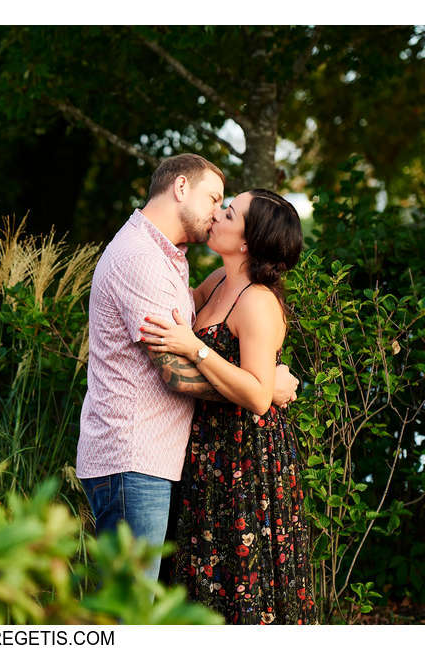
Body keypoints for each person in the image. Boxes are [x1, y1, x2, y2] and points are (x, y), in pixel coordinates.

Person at [75, 154, 299, 583]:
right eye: (216, 199)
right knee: (132, 609)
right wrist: (265, 387)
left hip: (197, 461)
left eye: (227, 209)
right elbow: (175, 371)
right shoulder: (143, 258)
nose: (217, 212)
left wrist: (257, 370)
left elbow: (212, 332)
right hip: (135, 457)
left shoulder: (173, 258)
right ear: (181, 188)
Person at [138, 189, 317, 624]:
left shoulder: (257, 301)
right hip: (207, 452)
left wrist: (194, 349)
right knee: (204, 573)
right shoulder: (218, 281)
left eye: (229, 212)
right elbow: (178, 311)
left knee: (241, 578)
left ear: (246, 242)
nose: (216, 214)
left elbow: (258, 396)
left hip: (246, 459)